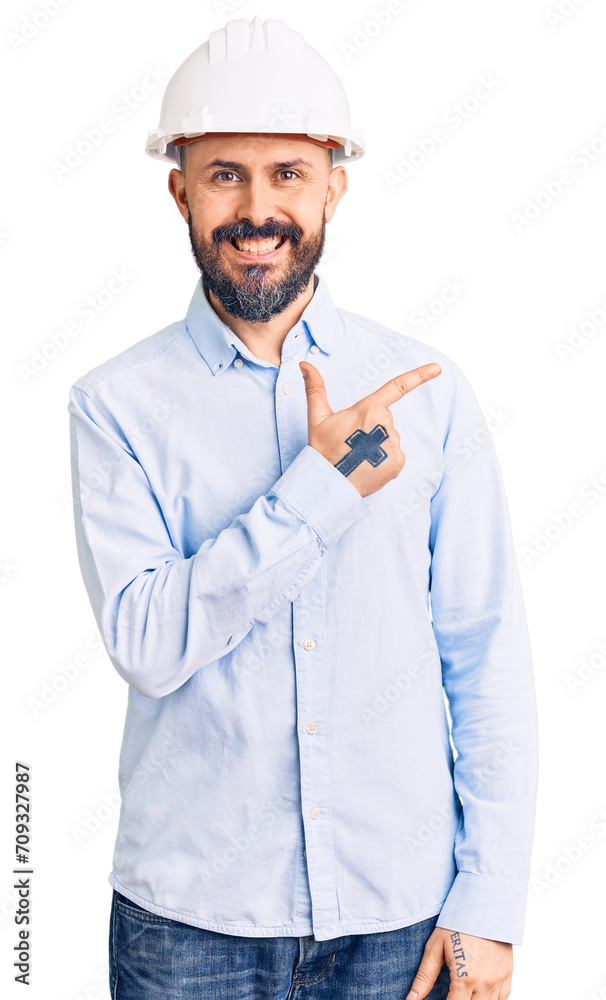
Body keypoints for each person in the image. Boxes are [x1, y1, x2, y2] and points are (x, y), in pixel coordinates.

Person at [67, 15, 539, 1000]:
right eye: (225, 173)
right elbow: (148, 642)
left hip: (398, 922)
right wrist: (319, 493)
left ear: (334, 183)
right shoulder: (115, 405)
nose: (257, 207)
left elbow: (483, 652)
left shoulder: (427, 389)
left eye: (287, 172)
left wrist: (488, 906)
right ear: (179, 189)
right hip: (189, 929)